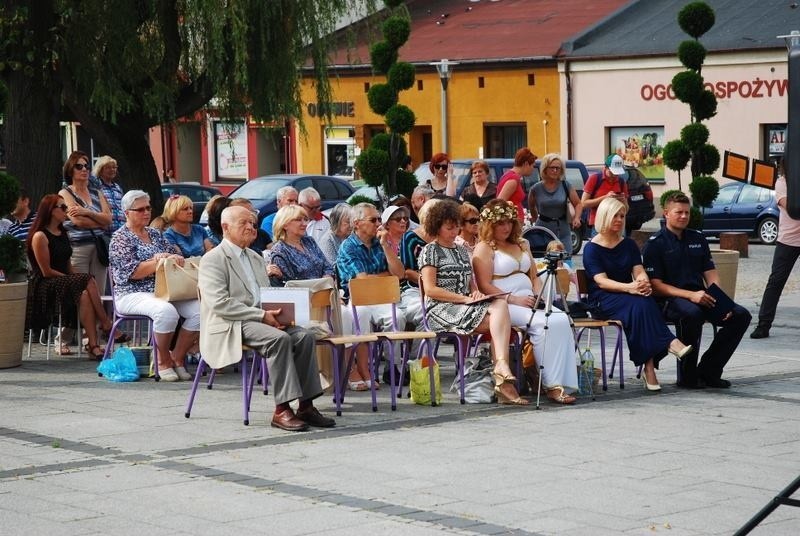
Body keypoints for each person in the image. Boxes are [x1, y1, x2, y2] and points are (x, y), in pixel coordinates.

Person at [198, 205, 335, 431]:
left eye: (252, 223)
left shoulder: (255, 257)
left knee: (304, 336)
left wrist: (281, 313)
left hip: (262, 318)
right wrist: (262, 315)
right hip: (232, 322)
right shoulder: (213, 259)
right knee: (278, 339)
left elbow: (264, 294)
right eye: (243, 223)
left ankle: (306, 405)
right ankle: (282, 409)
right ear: (225, 227)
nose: (251, 227)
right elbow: (220, 304)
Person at [418, 199, 528, 405]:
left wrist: (476, 293)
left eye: (456, 227)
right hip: (440, 309)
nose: (454, 232)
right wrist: (465, 299)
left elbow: (471, 284)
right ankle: (503, 380)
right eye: (449, 228)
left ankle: (501, 369)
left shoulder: (461, 251)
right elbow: (431, 290)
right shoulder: (430, 251)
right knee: (499, 324)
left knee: (500, 305)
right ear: (437, 226)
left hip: (465, 305)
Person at [473, 199, 578, 404]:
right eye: (500, 223)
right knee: (544, 324)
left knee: (562, 319)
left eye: (509, 222)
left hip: (530, 300)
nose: (506, 227)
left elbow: (534, 277)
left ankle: (562, 382)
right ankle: (551, 384)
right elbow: (484, 285)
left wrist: (541, 299)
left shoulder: (522, 243)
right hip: (504, 304)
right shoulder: (484, 248)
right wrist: (513, 298)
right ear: (490, 225)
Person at [582, 197, 692, 391]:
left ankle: (649, 369)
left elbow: (639, 270)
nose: (619, 219)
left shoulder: (629, 245)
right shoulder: (591, 248)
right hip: (603, 299)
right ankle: (670, 343)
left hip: (629, 297)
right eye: (615, 215)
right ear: (604, 216)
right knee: (640, 304)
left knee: (643, 303)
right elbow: (601, 281)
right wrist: (630, 288)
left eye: (622, 216)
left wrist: (643, 282)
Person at [643, 192, 751, 389]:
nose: (684, 216)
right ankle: (688, 376)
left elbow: (710, 274)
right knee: (692, 314)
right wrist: (691, 295)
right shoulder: (654, 244)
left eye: (687, 212)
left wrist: (722, 302)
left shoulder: (698, 238)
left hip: (701, 296)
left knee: (740, 315)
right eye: (679, 212)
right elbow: (656, 285)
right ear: (666, 213)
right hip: (670, 299)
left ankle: (709, 371)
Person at [268, 204, 372, 391]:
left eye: (304, 219)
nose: (304, 223)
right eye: (298, 220)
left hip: (328, 296)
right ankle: (349, 369)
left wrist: (326, 279)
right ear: (285, 225)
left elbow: (327, 266)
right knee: (346, 316)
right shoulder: (279, 251)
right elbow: (290, 284)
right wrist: (320, 288)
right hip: (307, 306)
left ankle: (361, 367)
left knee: (361, 312)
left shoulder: (309, 242)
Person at [110, 190, 200, 382]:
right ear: (127, 213)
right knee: (167, 312)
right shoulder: (120, 238)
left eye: (148, 208)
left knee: (201, 311)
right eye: (140, 209)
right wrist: (157, 261)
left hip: (164, 290)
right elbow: (132, 273)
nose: (146, 212)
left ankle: (177, 357)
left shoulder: (154, 233)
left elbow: (174, 256)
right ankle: (162, 360)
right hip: (131, 293)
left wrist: (174, 257)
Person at [25, 195, 118, 358]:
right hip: (46, 285)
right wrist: (75, 280)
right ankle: (106, 323)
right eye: (62, 207)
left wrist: (76, 279)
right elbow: (46, 271)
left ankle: (93, 345)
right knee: (86, 280)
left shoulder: (63, 233)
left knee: (85, 293)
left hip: (63, 280)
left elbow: (68, 266)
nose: (66, 211)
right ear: (51, 211)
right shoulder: (40, 236)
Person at [337, 202, 407, 378]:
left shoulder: (380, 243)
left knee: (397, 317)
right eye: (373, 219)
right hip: (359, 298)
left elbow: (399, 274)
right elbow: (362, 281)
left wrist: (385, 246)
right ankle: (363, 367)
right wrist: (387, 277)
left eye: (379, 219)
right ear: (357, 223)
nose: (379, 223)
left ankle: (393, 367)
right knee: (362, 315)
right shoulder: (348, 246)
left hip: (382, 298)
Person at [751, 165, 800, 339]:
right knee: (776, 281)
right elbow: (793, 208)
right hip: (788, 240)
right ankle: (763, 325)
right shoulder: (782, 182)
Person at [59, 151, 113, 294]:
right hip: (78, 248)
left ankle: (98, 317)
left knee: (99, 292)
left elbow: (109, 220)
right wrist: (100, 220)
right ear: (70, 170)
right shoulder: (65, 193)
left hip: (99, 246)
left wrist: (88, 212)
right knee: (81, 293)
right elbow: (78, 221)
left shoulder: (97, 192)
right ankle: (81, 318)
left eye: (86, 166)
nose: (84, 169)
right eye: (79, 166)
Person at [527, 153, 582, 249]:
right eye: (552, 167)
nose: (555, 170)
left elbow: (578, 204)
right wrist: (535, 220)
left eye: (558, 168)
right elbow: (531, 206)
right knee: (544, 261)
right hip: (543, 231)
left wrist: (577, 218)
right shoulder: (536, 188)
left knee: (565, 260)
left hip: (563, 230)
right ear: (545, 169)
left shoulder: (566, 185)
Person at [580, 154, 629, 236]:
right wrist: (605, 198)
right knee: (599, 247)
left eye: (617, 173)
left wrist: (623, 201)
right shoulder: (594, 179)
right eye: (612, 172)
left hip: (617, 225)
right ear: (605, 168)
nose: (614, 176)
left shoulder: (621, 182)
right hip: (599, 224)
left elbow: (626, 209)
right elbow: (583, 204)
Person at [497, 147, 536, 221]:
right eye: (532, 166)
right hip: (512, 225)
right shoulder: (513, 179)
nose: (533, 169)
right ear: (526, 164)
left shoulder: (510, 175)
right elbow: (499, 203)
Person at [90, 155, 126, 233]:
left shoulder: (117, 187)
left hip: (120, 231)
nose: (112, 170)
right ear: (100, 169)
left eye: (114, 167)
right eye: (108, 168)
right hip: (104, 232)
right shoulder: (96, 186)